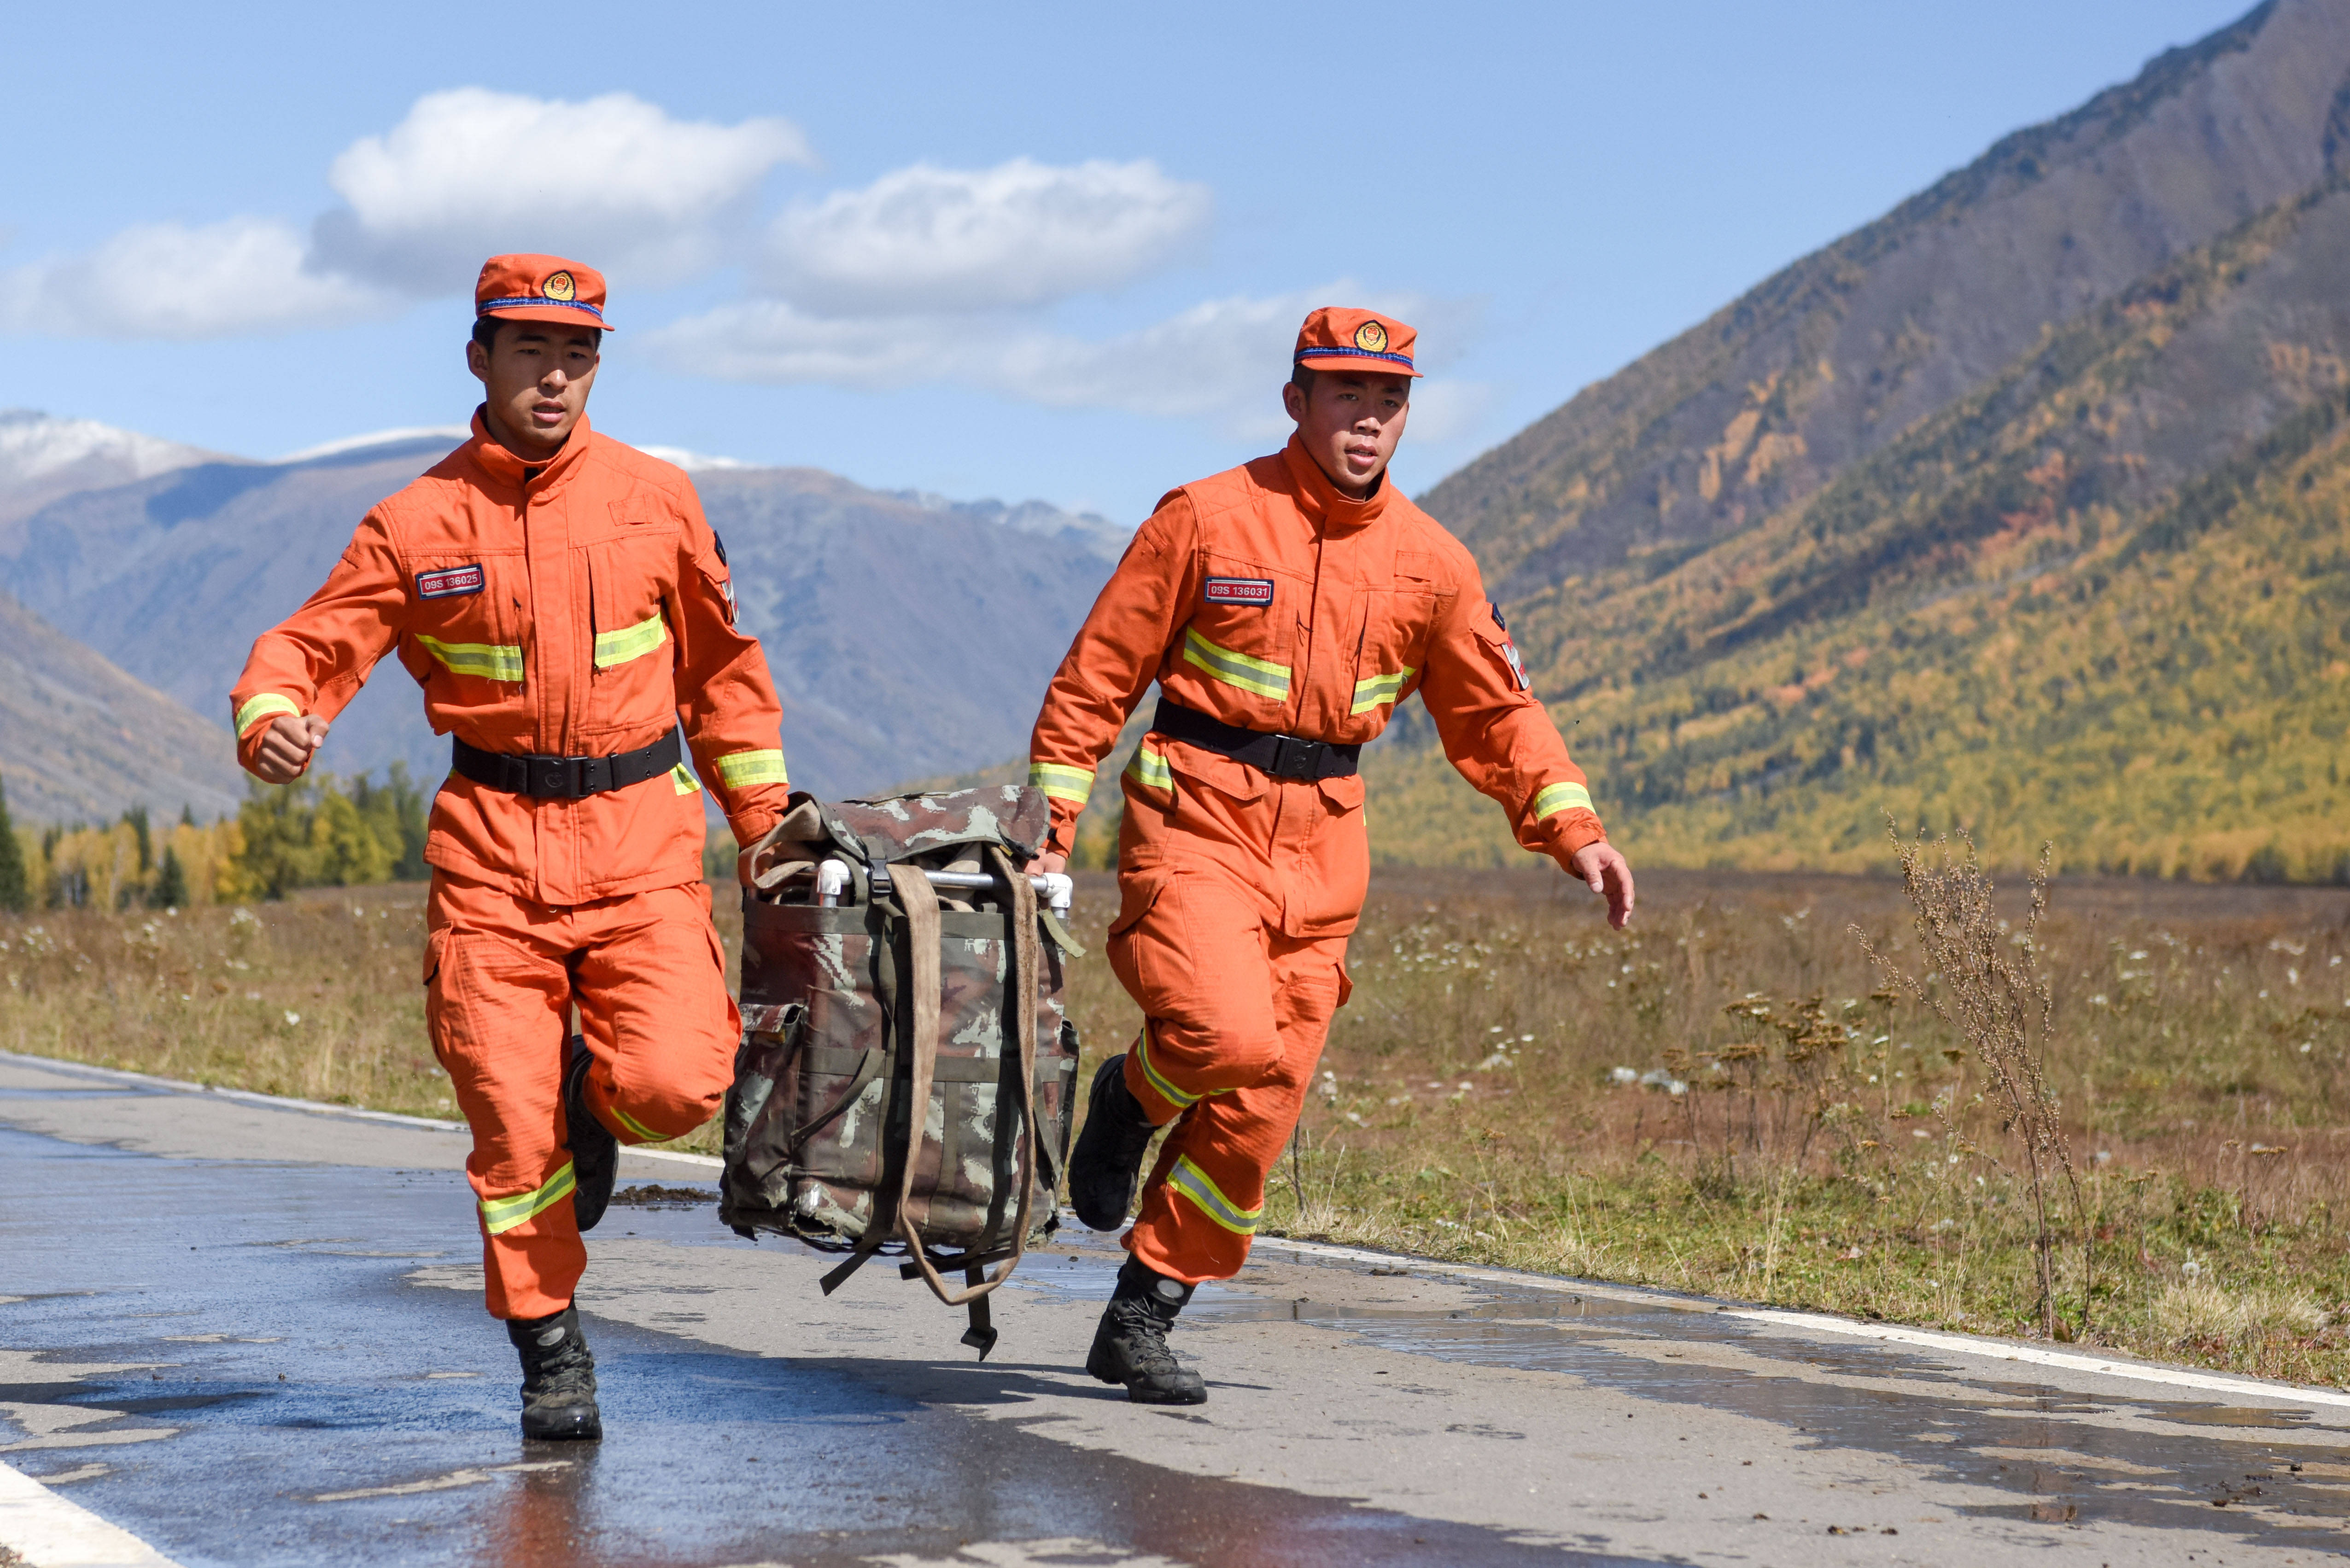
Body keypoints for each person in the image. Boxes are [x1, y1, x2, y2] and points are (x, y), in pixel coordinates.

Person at [1024, 307, 1635, 1404]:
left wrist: (1573, 831)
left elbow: (1496, 715)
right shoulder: (1205, 518)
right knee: (1221, 1034)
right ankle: (1132, 1095)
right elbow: (1096, 679)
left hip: (1324, 847)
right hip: (1197, 819)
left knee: (1265, 1097)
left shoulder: (1432, 563)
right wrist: (1050, 830)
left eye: (1387, 399)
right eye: (1344, 393)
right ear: (1296, 400)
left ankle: (1144, 1310)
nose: (1367, 417)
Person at [228, 256, 791, 1441]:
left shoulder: (659, 499)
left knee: (679, 1080)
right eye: (530, 349)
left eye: (578, 352)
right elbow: (311, 645)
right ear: (479, 357)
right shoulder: (415, 520)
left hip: (641, 846)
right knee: (508, 1119)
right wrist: (274, 715)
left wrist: (765, 821)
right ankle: (548, 1343)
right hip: (490, 857)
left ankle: (596, 1099)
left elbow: (725, 678)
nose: (555, 374)